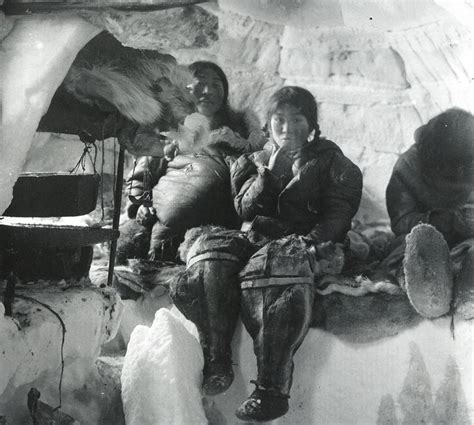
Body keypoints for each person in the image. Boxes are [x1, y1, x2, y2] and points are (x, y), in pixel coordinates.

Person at [171, 86, 363, 421]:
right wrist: (271, 173)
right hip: (257, 237)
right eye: (279, 120)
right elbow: (243, 208)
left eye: (297, 119)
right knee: (208, 252)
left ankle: (272, 390)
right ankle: (217, 360)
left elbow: (338, 214)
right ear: (269, 125)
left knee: (279, 262)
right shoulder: (252, 161)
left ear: (312, 124)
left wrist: (310, 243)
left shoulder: (334, 163)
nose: (287, 128)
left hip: (308, 241)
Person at [116, 61, 265, 263]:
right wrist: (142, 204)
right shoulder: (170, 131)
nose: (207, 91)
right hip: (164, 227)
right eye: (200, 82)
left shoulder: (243, 138)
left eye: (216, 85)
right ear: (185, 89)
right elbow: (140, 177)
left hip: (216, 232)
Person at [382, 108, 474, 319]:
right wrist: (445, 221)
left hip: (467, 242)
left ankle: (467, 291)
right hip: (427, 238)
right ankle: (427, 290)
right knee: (404, 251)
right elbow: (401, 221)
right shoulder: (408, 166)